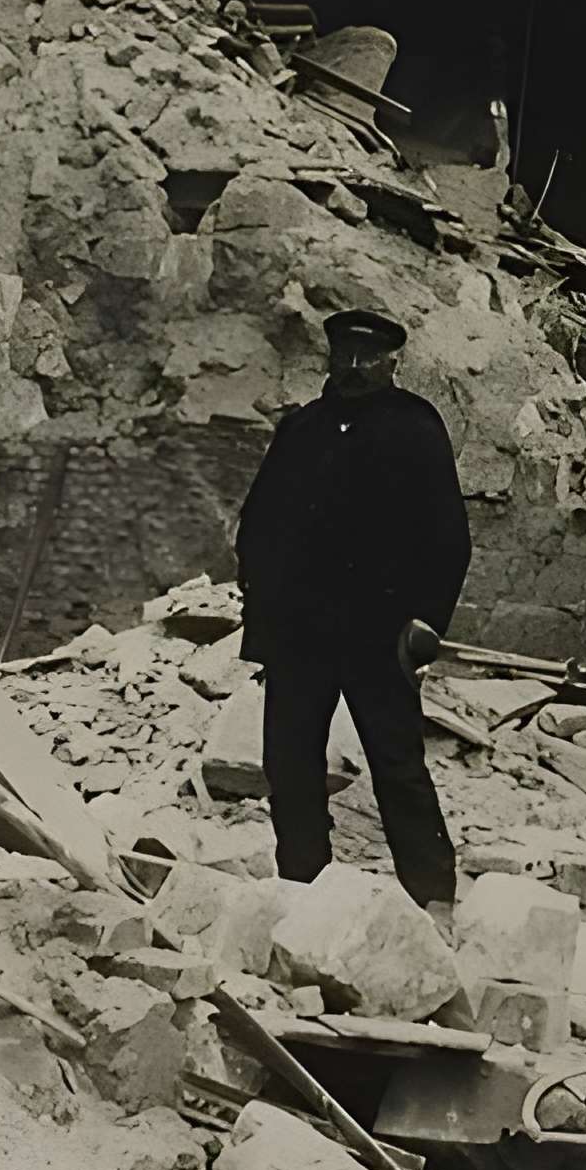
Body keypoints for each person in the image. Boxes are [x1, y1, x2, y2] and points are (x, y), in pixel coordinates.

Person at [234, 307, 470, 915]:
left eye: (370, 359)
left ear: (393, 363)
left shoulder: (416, 427)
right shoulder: (302, 429)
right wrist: (265, 620)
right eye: (346, 357)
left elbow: (448, 538)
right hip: (300, 636)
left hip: (379, 636)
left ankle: (433, 898)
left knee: (398, 765)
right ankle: (303, 890)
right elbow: (258, 527)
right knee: (290, 765)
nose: (356, 368)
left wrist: (426, 625)